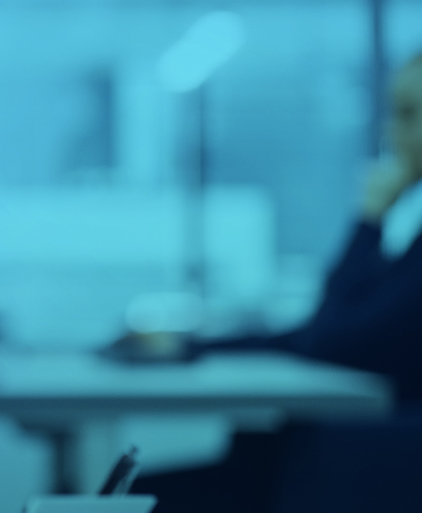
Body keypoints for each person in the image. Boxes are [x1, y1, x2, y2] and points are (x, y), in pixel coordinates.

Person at [130, 53, 422, 512]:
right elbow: (318, 334)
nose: (391, 133)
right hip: (342, 459)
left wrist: (369, 221)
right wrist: (197, 348)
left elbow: (329, 341)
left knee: (139, 498)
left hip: (362, 468)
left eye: (409, 114)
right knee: (136, 492)